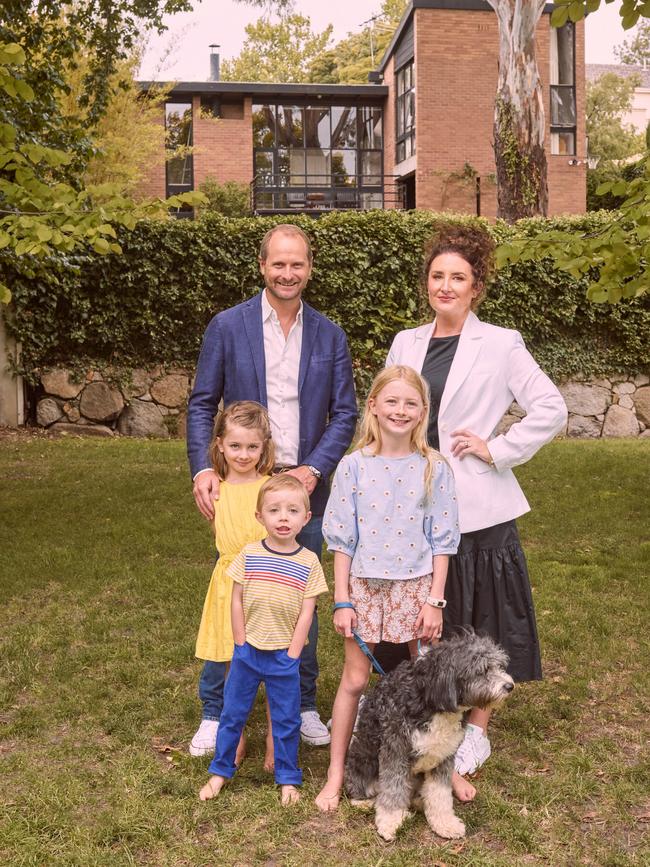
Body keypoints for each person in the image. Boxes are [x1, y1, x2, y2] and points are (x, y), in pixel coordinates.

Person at [386, 222, 568, 801]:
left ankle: (477, 732)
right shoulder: (406, 342)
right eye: (437, 276)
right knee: (425, 607)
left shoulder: (503, 343)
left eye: (457, 277)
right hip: (412, 498)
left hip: (477, 503)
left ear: (476, 286)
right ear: (427, 283)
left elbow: (550, 406)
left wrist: (499, 446)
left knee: (483, 614)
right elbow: (391, 409)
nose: (445, 285)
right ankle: (429, 711)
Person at [187, 224, 357, 753]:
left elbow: (345, 412)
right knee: (231, 591)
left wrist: (313, 471)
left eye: (298, 264)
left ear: (309, 268)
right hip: (241, 487)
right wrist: (202, 469)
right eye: (279, 264)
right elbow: (201, 404)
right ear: (262, 266)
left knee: (296, 594)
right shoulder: (227, 327)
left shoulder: (330, 335)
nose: (288, 274)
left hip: (302, 492)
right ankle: (217, 713)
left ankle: (303, 704)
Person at [315, 365, 460, 811]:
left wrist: (434, 601)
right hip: (364, 588)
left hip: (416, 589)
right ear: (373, 406)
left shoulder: (434, 467)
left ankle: (441, 773)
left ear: (422, 412)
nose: (400, 410)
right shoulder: (353, 466)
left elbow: (442, 540)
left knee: (430, 684)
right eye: (391, 401)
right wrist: (342, 599)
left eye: (410, 403)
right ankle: (336, 773)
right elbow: (341, 540)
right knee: (355, 678)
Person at [199, 474, 329, 806]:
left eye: (292, 510)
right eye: (274, 510)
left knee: (286, 719)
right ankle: (221, 770)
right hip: (248, 653)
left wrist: (293, 652)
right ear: (260, 517)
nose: (283, 517)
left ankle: (288, 777)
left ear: (306, 518)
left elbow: (307, 612)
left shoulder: (308, 562)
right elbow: (237, 599)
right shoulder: (249, 554)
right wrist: (240, 643)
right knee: (233, 713)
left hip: (284, 657)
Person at [190, 401, 275, 768]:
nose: (244, 454)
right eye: (236, 446)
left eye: (252, 447)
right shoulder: (216, 490)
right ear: (220, 445)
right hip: (229, 586)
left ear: (264, 448)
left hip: (268, 584)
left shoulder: (271, 487)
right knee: (232, 665)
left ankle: (277, 736)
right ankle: (234, 732)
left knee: (274, 662)